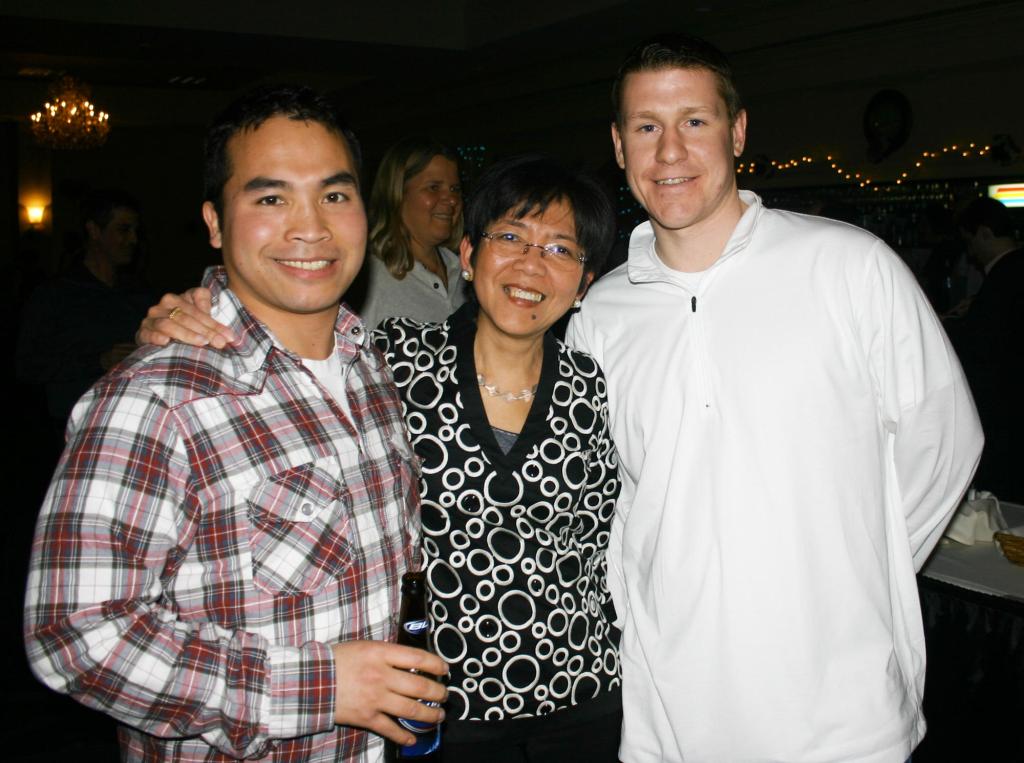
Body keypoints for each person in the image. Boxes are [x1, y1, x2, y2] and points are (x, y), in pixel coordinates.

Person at [565, 35, 983, 762]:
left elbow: (944, 443)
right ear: (618, 145)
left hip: (843, 717)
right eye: (646, 127)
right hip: (669, 713)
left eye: (694, 120)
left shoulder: (848, 266)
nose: (669, 151)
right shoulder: (599, 314)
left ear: (738, 131)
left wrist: (851, 573)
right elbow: (611, 498)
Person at [137, 155, 623, 762]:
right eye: (511, 237)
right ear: (468, 256)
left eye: (560, 250)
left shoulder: (595, 387)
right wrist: (186, 315)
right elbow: (282, 342)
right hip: (433, 703)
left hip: (582, 694)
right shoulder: (389, 360)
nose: (531, 264)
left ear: (583, 284)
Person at [24, 84, 446, 763]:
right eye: (270, 198)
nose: (310, 227)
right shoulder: (156, 397)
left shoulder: (370, 370)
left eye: (335, 195)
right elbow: (75, 636)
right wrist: (321, 685)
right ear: (215, 223)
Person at [17, 189, 154, 436]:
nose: (133, 239)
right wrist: (97, 361)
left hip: (130, 423)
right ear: (94, 231)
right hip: (72, 431)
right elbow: (28, 366)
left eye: (135, 231)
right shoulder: (55, 295)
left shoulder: (140, 294)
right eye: (123, 230)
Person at [946, 197, 1024, 501]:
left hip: (1005, 410)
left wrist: (949, 324)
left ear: (983, 234)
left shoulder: (1004, 276)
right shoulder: (1013, 270)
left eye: (969, 240)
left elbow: (981, 346)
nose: (970, 250)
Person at [348, 136, 464, 329]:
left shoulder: (464, 272)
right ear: (397, 193)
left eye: (455, 189)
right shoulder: (367, 279)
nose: (451, 199)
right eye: (433, 187)